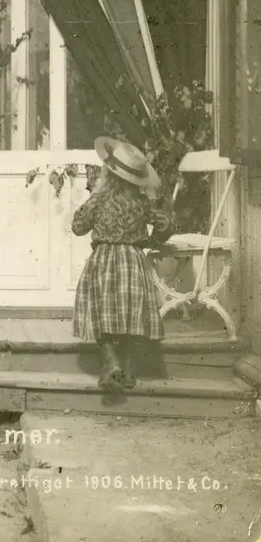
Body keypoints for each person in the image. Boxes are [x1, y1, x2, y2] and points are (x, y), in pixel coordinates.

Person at [71, 137, 174, 390]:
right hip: (132, 262)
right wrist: (152, 240)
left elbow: (77, 227)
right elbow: (167, 224)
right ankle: (127, 370)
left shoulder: (99, 199)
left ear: (108, 173)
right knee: (130, 317)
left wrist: (94, 195)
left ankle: (110, 362)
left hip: (103, 262)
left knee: (100, 312)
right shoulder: (141, 202)